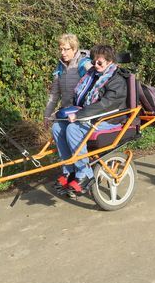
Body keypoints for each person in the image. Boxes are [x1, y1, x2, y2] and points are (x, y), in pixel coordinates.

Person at [52, 44, 128, 198]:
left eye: (100, 63)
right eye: (94, 62)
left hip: (109, 118)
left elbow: (106, 105)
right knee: (58, 127)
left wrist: (79, 115)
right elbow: (79, 99)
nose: (95, 65)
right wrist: (66, 112)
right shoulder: (91, 76)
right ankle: (70, 171)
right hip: (90, 116)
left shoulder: (117, 81)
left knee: (72, 129)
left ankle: (85, 173)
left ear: (110, 62)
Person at [44, 34, 92, 123]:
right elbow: (54, 94)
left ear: (74, 49)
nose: (62, 52)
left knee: (70, 131)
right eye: (61, 49)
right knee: (56, 128)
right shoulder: (60, 67)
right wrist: (47, 115)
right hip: (66, 111)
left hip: (81, 113)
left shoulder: (84, 63)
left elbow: (96, 75)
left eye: (66, 49)